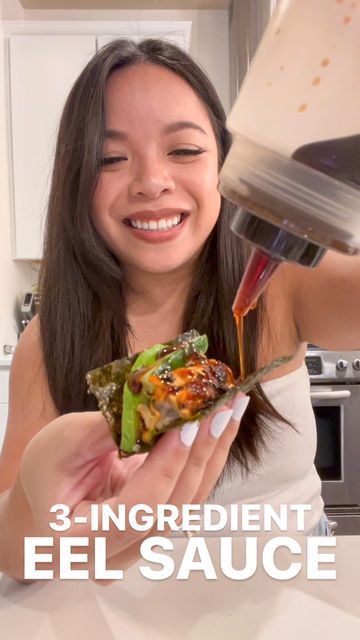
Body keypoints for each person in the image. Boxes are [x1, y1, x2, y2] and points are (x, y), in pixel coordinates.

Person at [0, 38, 358, 580]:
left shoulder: (284, 280)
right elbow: (13, 553)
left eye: (184, 151)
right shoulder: (50, 342)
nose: (151, 182)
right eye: (110, 159)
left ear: (225, 163)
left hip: (293, 598)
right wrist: (32, 493)